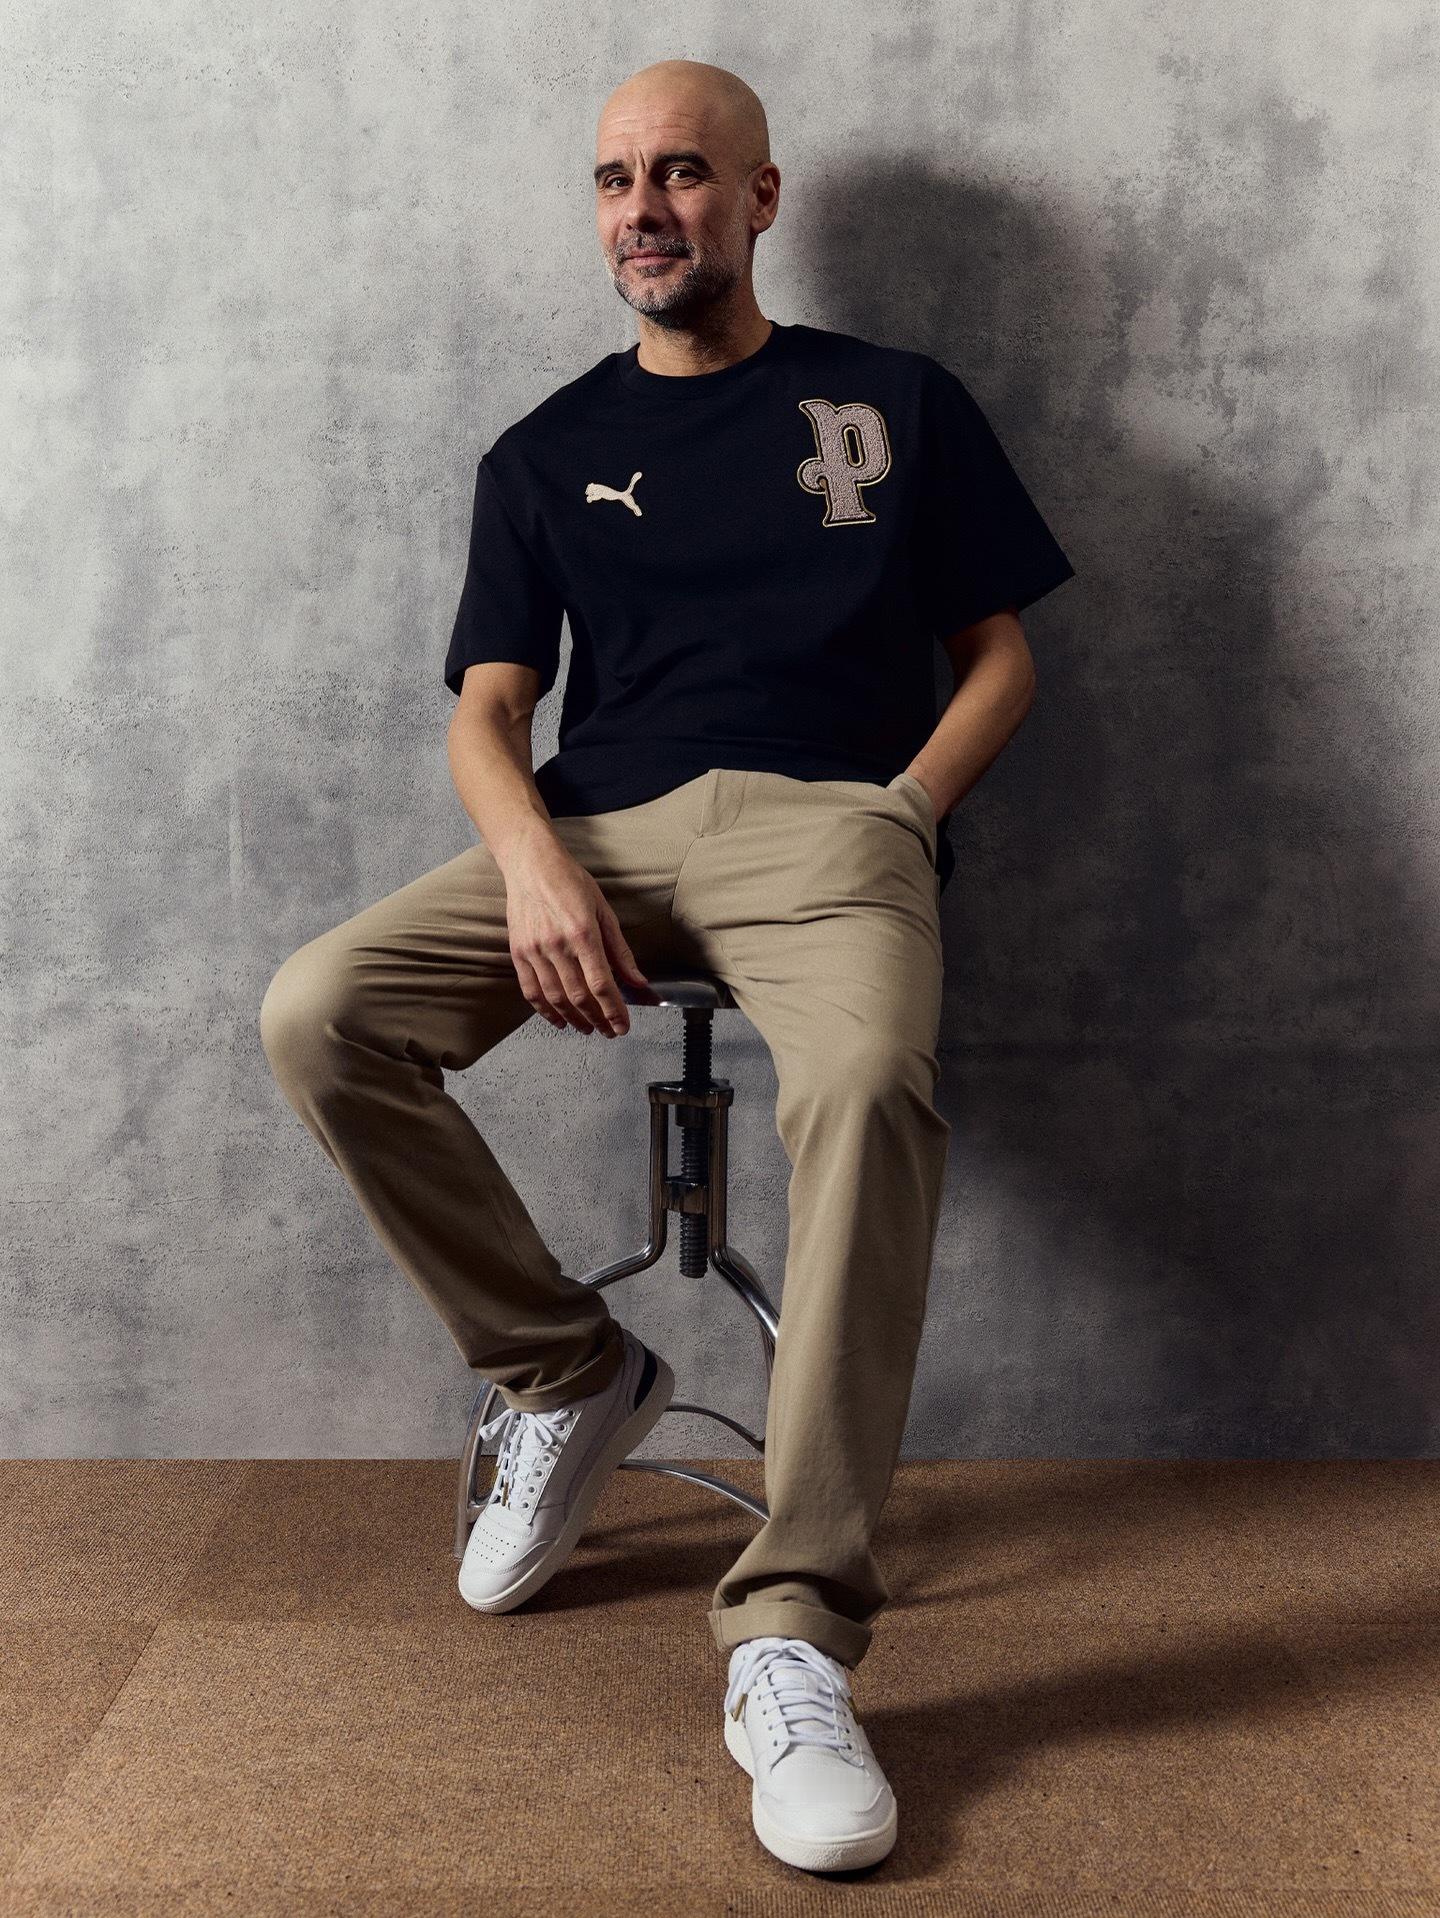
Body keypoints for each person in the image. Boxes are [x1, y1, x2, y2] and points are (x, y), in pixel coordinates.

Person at [259, 56, 1074, 1876]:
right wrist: (534, 863)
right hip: (601, 835)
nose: (645, 207)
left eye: (686, 172)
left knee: (866, 1090)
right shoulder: (541, 451)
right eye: (617, 177)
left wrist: (903, 813)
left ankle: (794, 1627)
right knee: (321, 1013)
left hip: (830, 828)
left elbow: (1002, 656)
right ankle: (566, 1369)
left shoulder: (892, 402)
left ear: (760, 197)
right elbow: (490, 711)